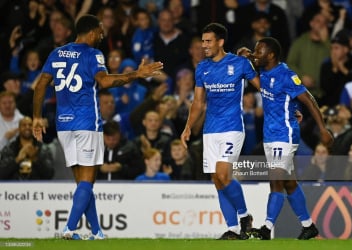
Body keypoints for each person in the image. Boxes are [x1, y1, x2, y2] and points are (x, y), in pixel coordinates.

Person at [32, 14, 163, 240]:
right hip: (86, 122)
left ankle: (97, 231)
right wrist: (136, 74)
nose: (102, 35)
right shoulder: (93, 54)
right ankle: (68, 228)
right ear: (91, 31)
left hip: (63, 125)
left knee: (83, 182)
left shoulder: (57, 53)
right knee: (87, 180)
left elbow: (41, 84)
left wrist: (36, 116)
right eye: (100, 30)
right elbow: (104, 82)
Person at [241, 37, 333, 240]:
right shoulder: (265, 71)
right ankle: (308, 226)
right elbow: (269, 91)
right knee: (289, 182)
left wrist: (323, 128)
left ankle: (266, 229)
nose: (257, 54)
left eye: (260, 51)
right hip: (270, 136)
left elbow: (308, 99)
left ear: (271, 55)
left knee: (276, 180)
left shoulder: (286, 75)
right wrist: (248, 56)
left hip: (285, 134)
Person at [180, 22, 259, 240]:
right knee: (217, 180)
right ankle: (233, 229)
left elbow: (262, 86)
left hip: (232, 127)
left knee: (224, 174)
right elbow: (197, 102)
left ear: (220, 42)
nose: (203, 45)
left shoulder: (240, 63)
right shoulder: (202, 68)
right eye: (202, 41)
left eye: (208, 41)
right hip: (210, 130)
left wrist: (287, 108)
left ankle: (244, 216)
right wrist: (188, 127)